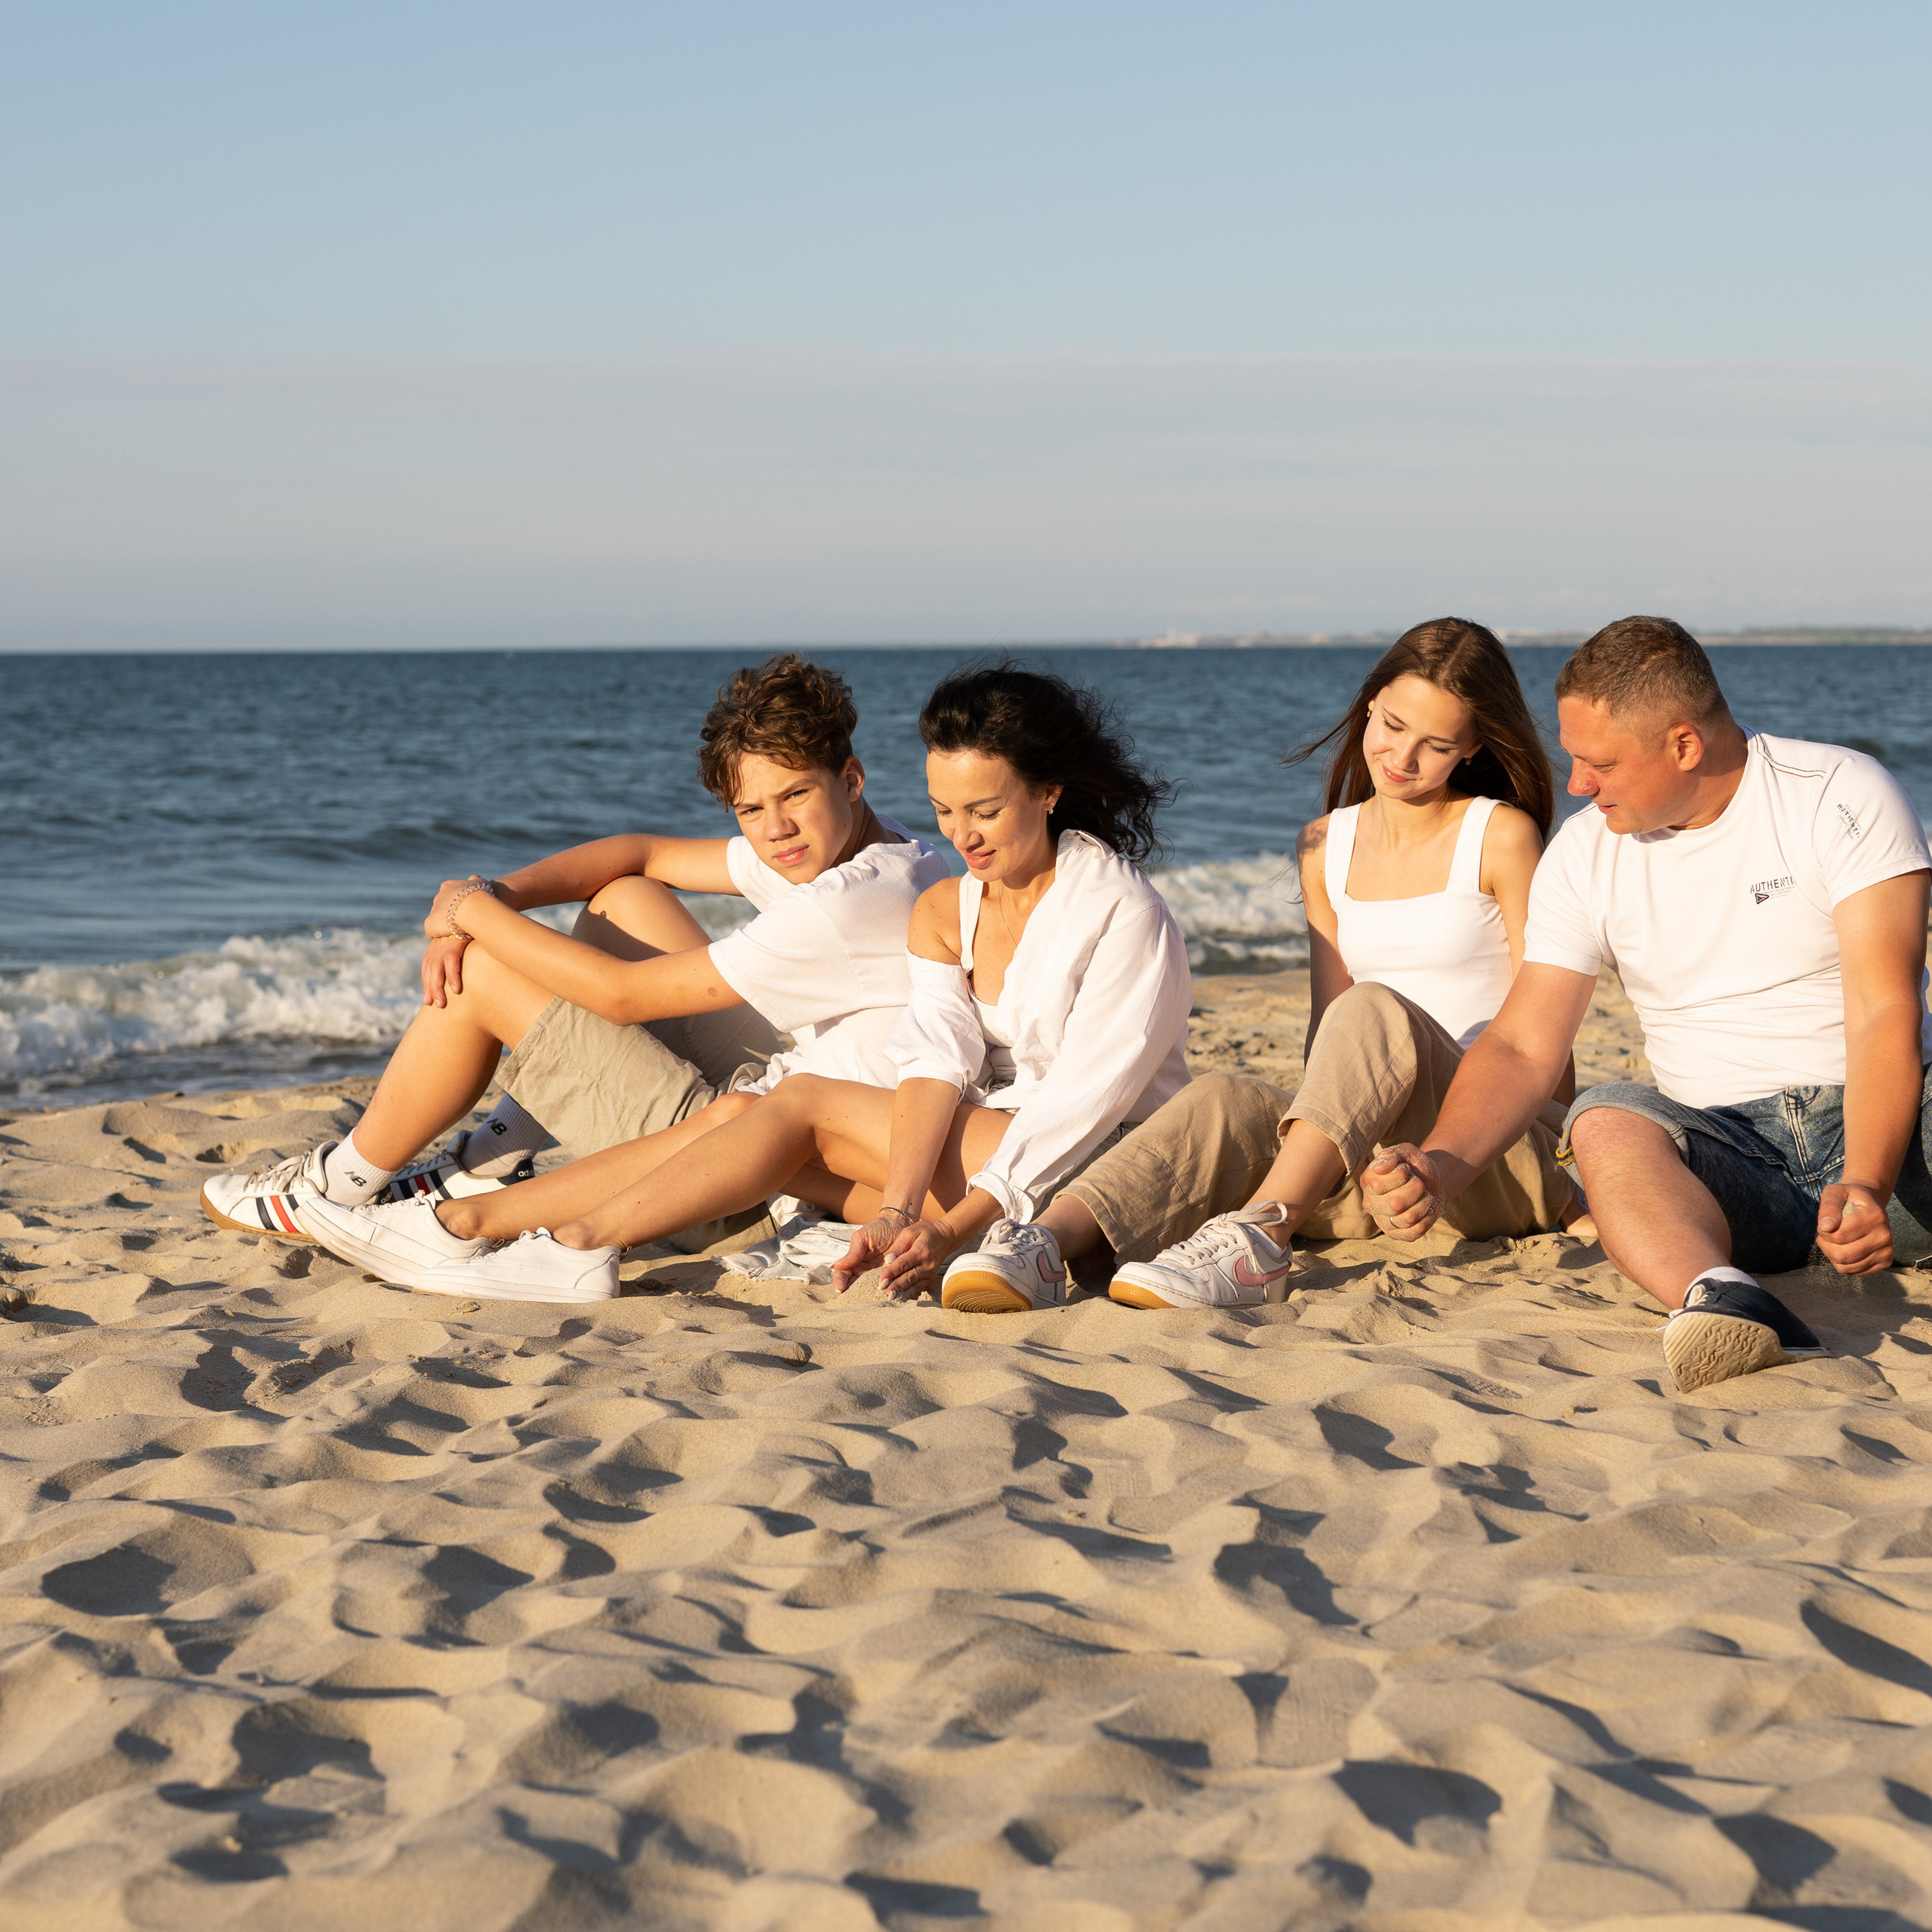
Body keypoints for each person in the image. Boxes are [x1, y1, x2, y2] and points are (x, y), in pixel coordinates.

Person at [302, 661, 1194, 1307]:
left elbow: (1080, 1108)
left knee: (782, 1102)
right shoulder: (956, 900)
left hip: (1081, 1171)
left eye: (986, 810)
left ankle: (489, 1222)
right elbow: (941, 1059)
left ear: (1047, 793)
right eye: (946, 810)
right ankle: (486, 1217)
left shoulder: (1121, 915)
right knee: (753, 1096)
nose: (962, 833)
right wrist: (890, 1207)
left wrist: (957, 1225)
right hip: (956, 1147)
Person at [1360, 616, 1932, 1393]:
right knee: (1604, 1114)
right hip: (1728, 1167)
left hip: (1897, 1146)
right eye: (1571, 759)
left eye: (1597, 763)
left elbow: (1881, 1010)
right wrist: (1439, 1163)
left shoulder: (1836, 794)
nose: (1576, 786)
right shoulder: (1586, 852)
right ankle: (1727, 1300)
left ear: (1684, 745)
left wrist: (1865, 1181)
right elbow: (1524, 1044)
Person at [201, 654, 946, 1248]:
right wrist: (499, 892)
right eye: (751, 807)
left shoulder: (845, 901)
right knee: (627, 901)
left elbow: (625, 999)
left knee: (483, 976)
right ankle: (499, 1148)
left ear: (850, 779)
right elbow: (643, 852)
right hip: (798, 1105)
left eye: (793, 795)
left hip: (744, 1166)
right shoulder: (878, 854)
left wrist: (469, 916)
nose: (774, 827)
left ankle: (336, 1183)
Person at [998, 617, 1582, 1310]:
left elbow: (1546, 1045)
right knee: (1223, 1098)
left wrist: (1567, 1178)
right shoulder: (1322, 845)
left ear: (1475, 746)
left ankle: (1260, 1237)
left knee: (1370, 1007)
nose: (1401, 757)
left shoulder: (1503, 836)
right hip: (1380, 1172)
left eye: (1436, 744)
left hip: (1488, 1156)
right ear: (1369, 703)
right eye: (1392, 725)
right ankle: (1044, 1244)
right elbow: (1324, 1039)